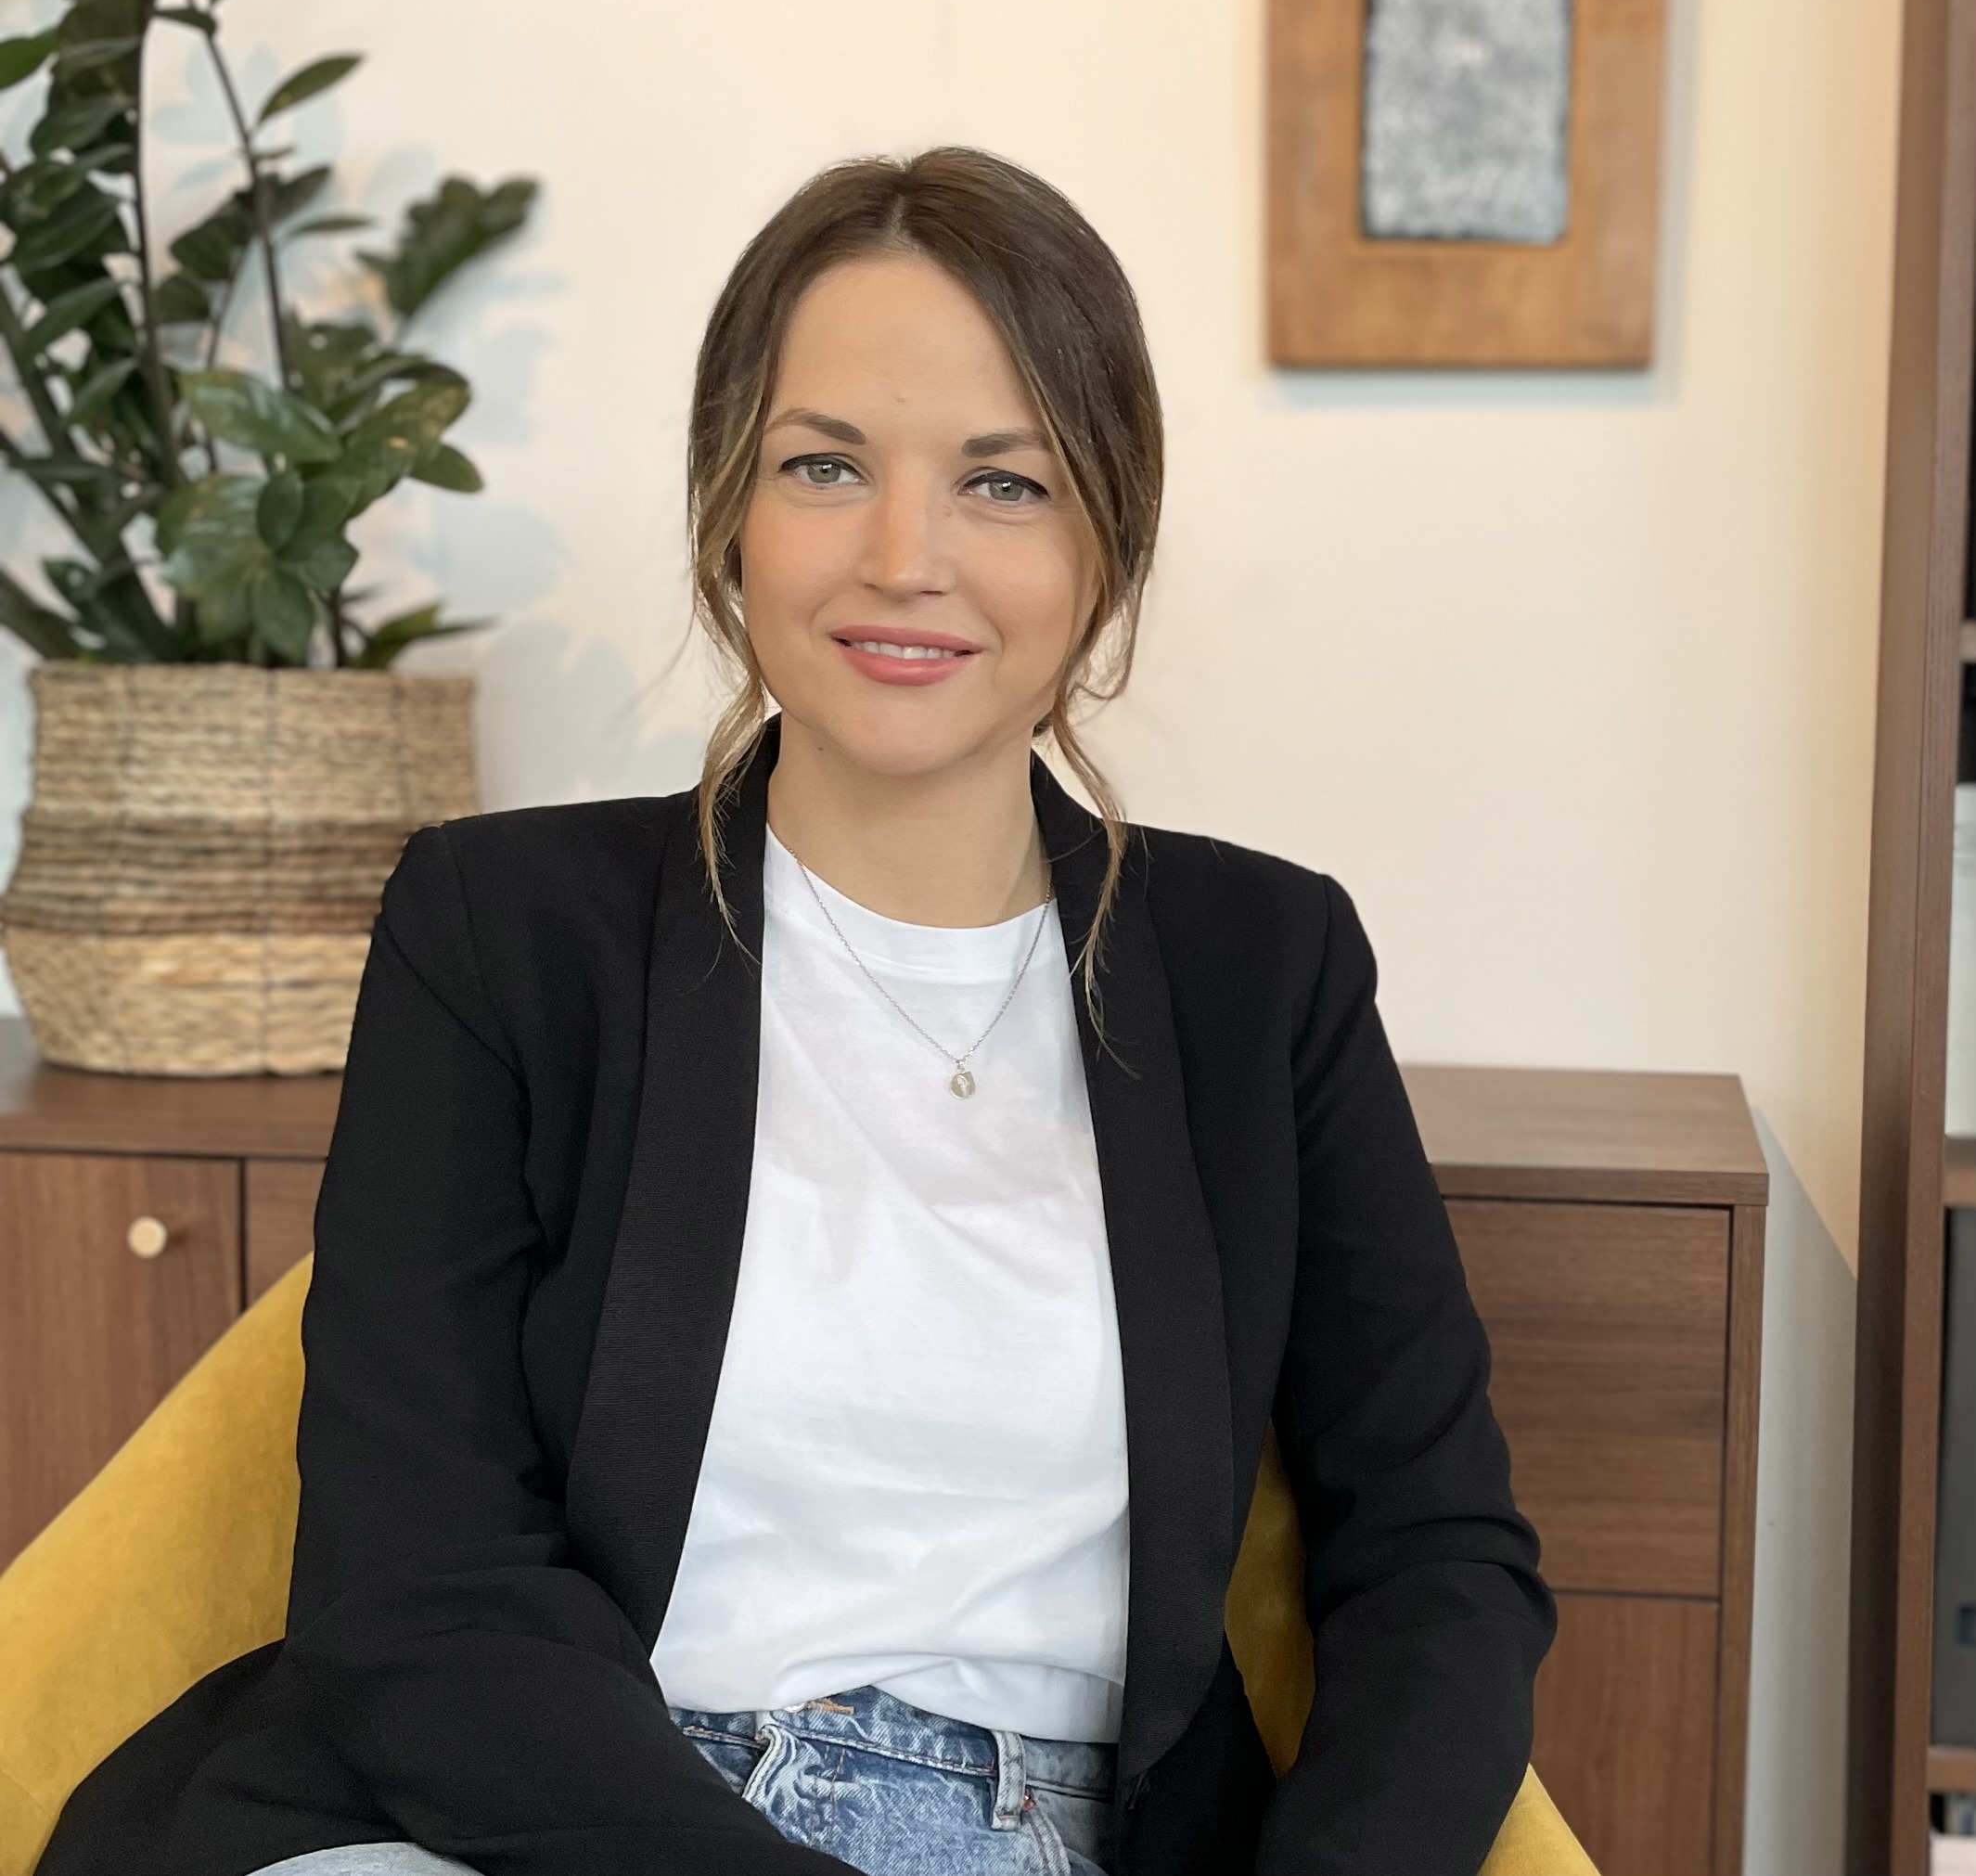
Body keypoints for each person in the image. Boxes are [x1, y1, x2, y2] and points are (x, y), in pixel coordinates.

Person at [39, 147, 1554, 1876]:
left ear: (1108, 543)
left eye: (1003, 482)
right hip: (537, 1828)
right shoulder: (501, 932)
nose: (904, 557)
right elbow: (417, 1572)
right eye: (824, 465)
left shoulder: (1261, 968)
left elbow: (1434, 1553)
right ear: (728, 518)